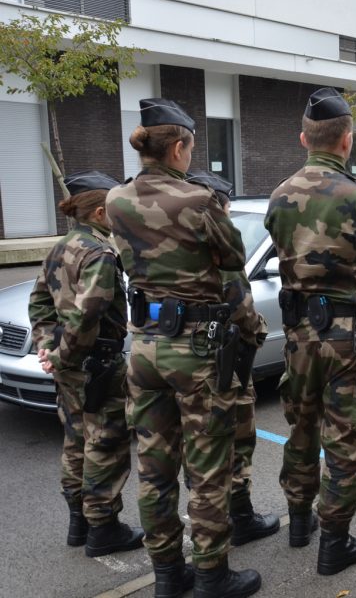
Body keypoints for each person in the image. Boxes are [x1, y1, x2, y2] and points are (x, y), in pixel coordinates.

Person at [107, 98, 260, 597]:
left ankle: (169, 576)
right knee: (208, 464)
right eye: (191, 148)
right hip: (195, 347)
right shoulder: (197, 201)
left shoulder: (115, 199)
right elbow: (234, 255)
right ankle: (213, 575)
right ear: (178, 147)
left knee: (154, 467)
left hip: (144, 344)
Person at [265, 87, 356, 574]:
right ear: (346, 141)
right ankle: (333, 542)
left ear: (305, 139)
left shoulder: (279, 195)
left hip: (299, 332)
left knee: (301, 426)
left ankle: (299, 521)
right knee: (344, 436)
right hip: (350, 336)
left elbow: (281, 249)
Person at [29, 171, 144, 558]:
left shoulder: (60, 247)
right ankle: (103, 528)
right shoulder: (100, 254)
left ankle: (78, 522)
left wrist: (49, 347)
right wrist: (61, 353)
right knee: (105, 443)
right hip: (96, 365)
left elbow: (39, 303)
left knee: (76, 440)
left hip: (70, 367)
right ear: (99, 212)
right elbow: (87, 316)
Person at [185, 170, 280, 547]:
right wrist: (255, 333)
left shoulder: (176, 243)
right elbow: (241, 307)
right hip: (225, 360)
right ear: (221, 208)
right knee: (237, 438)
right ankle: (239, 519)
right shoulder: (222, 250)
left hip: (183, 356)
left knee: (193, 444)